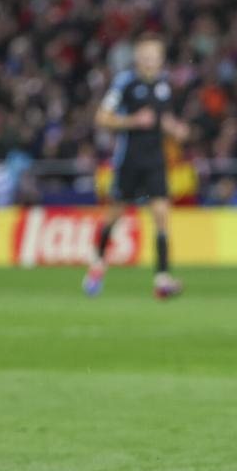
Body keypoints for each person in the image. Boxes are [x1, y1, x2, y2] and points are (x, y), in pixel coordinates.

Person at [83, 33, 186, 299]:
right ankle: (97, 265)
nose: (151, 62)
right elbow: (102, 118)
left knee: (162, 215)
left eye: (156, 57)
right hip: (129, 161)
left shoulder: (164, 85)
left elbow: (162, 120)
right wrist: (132, 121)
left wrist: (174, 129)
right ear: (138, 58)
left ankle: (162, 279)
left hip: (156, 161)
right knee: (114, 215)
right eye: (147, 57)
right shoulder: (124, 84)